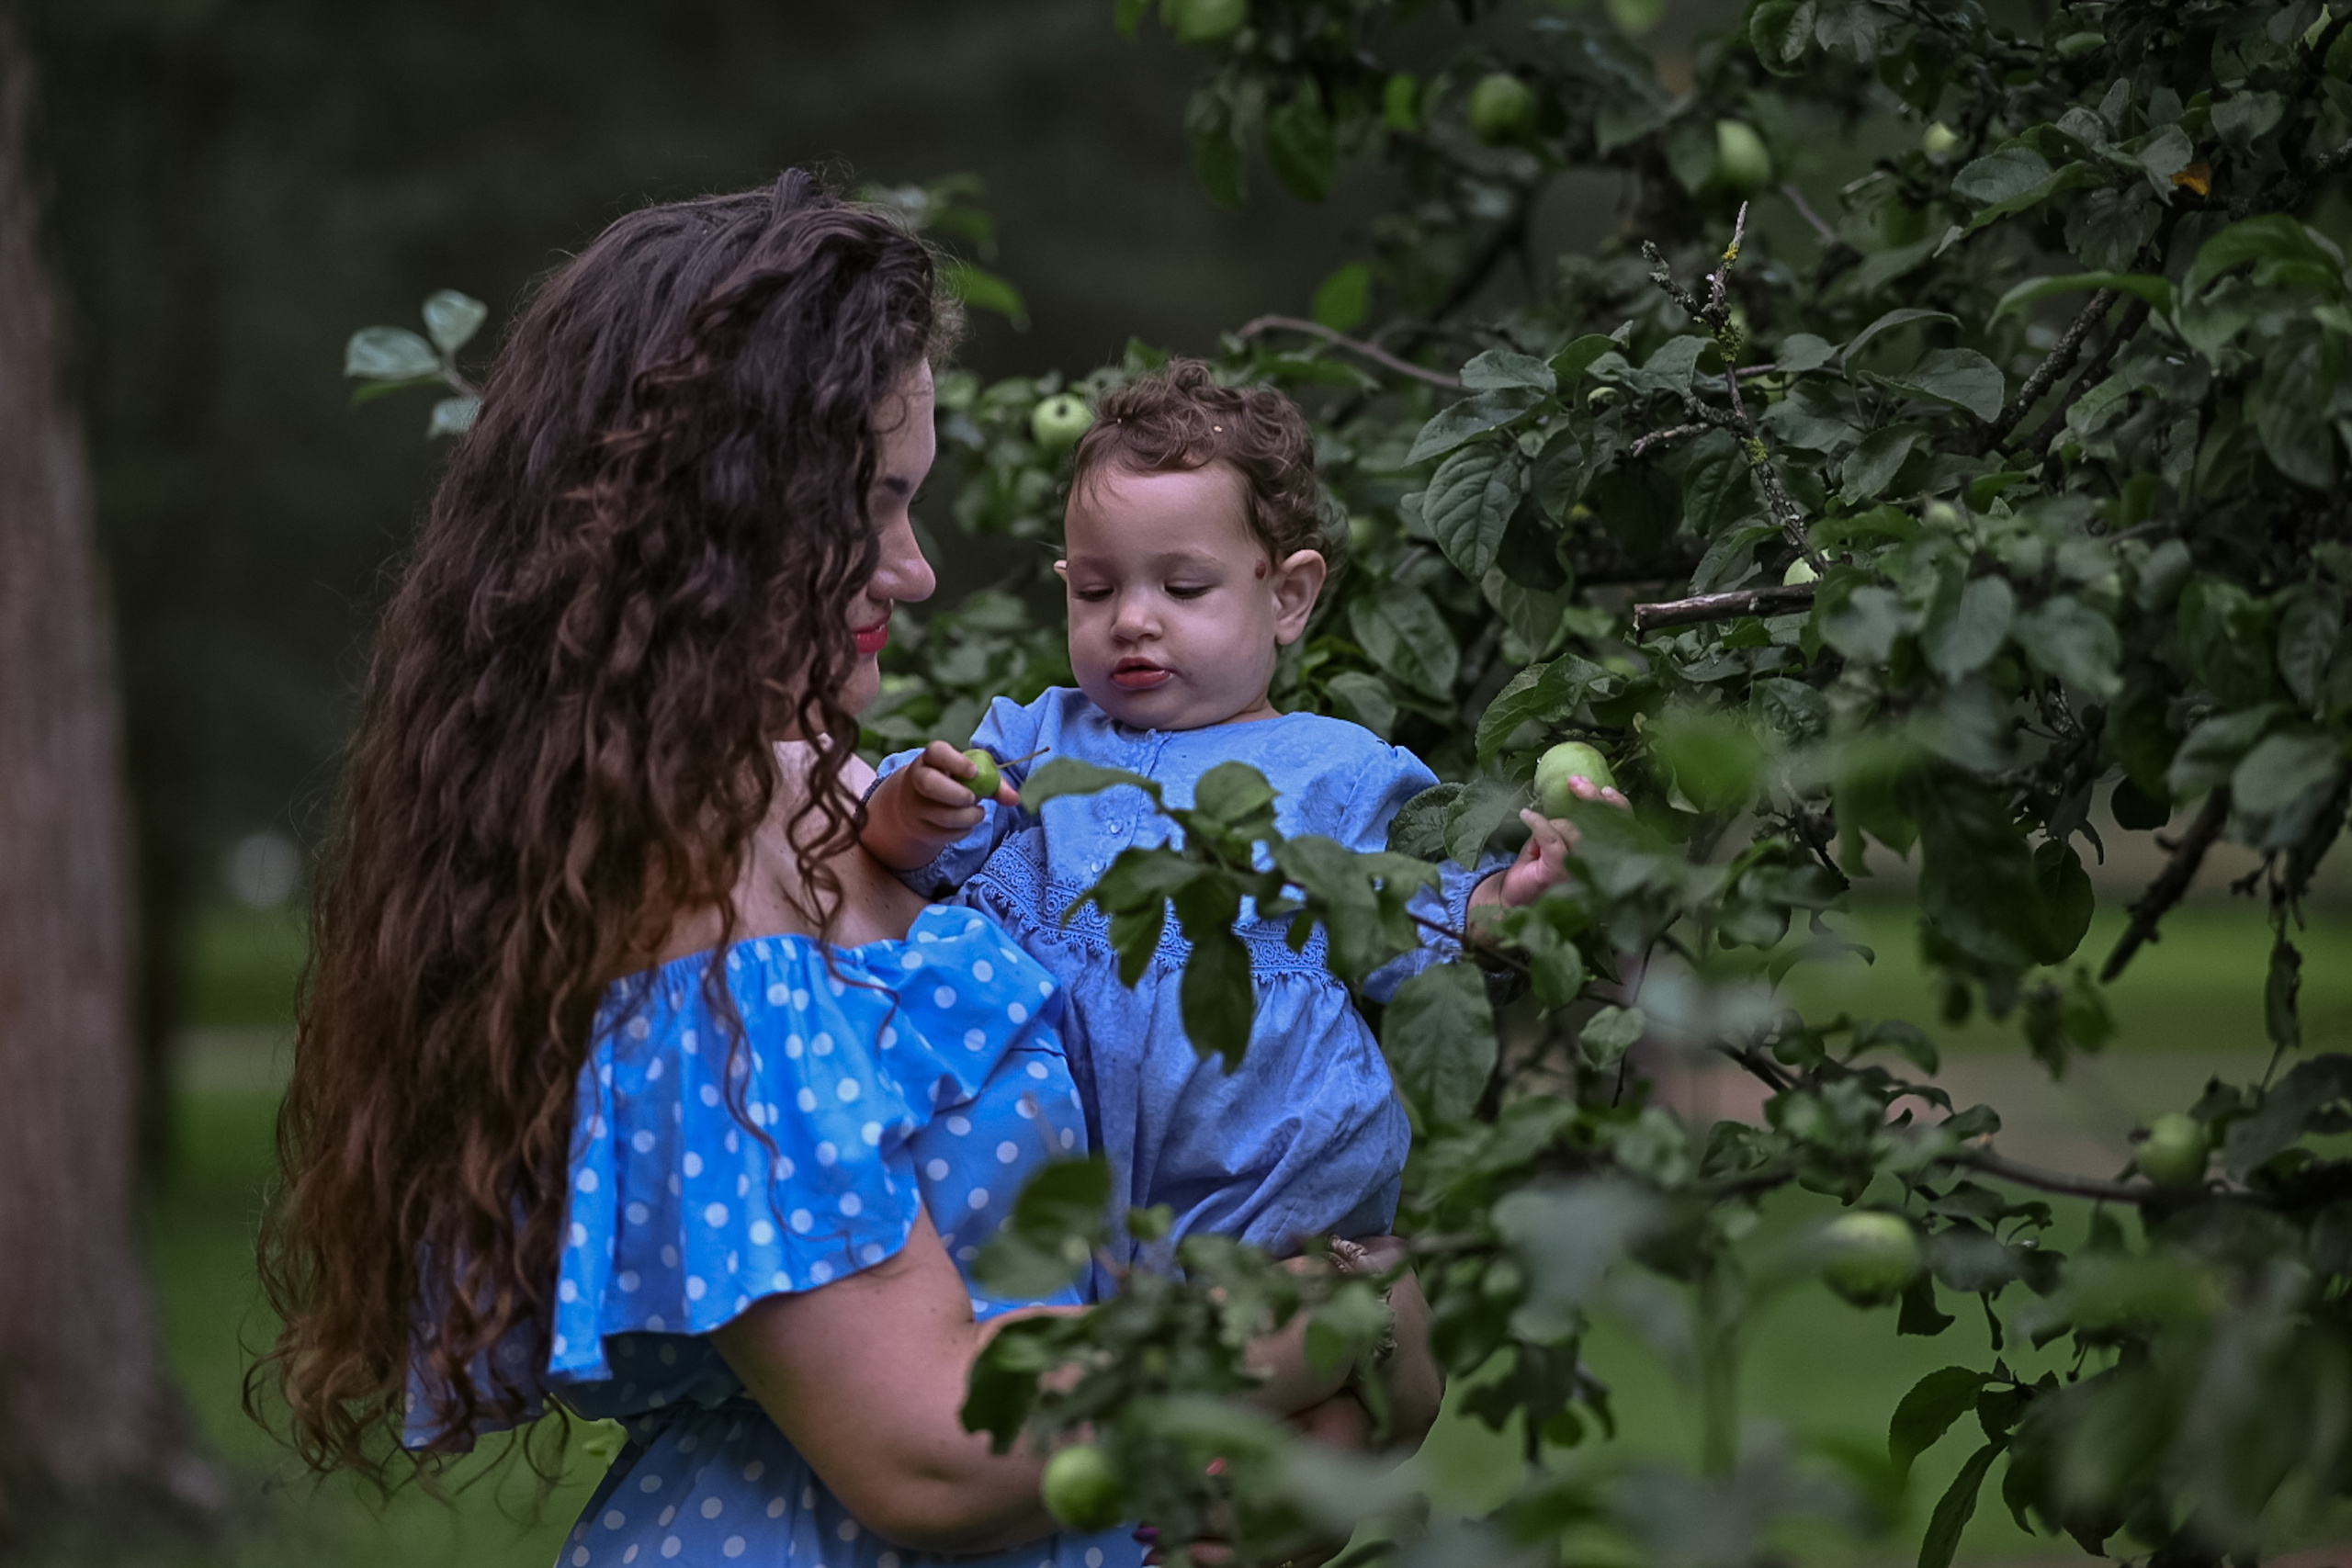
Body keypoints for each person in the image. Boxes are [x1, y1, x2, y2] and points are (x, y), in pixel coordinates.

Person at [250, 175, 1438, 1568]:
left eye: (915, 506)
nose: (919, 570)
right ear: (718, 517)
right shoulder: (686, 897)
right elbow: (929, 1441)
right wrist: (1339, 1319)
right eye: (874, 507)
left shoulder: (848, 808)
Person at [861, 363, 1624, 1323]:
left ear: (1288, 597)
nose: (1131, 620)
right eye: (1094, 590)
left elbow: (1420, 910)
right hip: (1054, 1178)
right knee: (1071, 1385)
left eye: (1184, 586)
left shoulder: (1338, 772)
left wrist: (1512, 905)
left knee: (1258, 1365)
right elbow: (918, 845)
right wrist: (914, 810)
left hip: (1263, 1181)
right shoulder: (1033, 737)